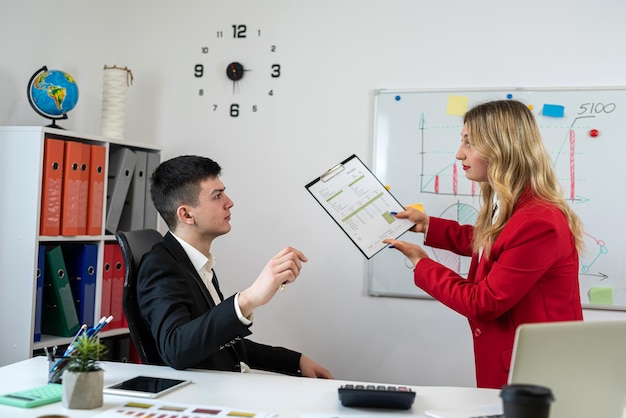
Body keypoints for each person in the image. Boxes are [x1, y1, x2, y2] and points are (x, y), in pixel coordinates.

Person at [383, 99, 584, 389]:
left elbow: (483, 303)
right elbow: (494, 243)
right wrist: (429, 226)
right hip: (520, 365)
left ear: (500, 148)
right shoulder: (519, 207)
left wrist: (421, 263)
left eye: (470, 143)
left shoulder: (538, 221)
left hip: (537, 373)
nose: (458, 154)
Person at [137, 155, 333, 378]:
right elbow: (176, 349)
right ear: (186, 214)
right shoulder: (160, 266)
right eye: (217, 196)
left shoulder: (197, 262)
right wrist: (248, 299)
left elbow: (223, 344)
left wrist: (296, 361)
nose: (229, 202)